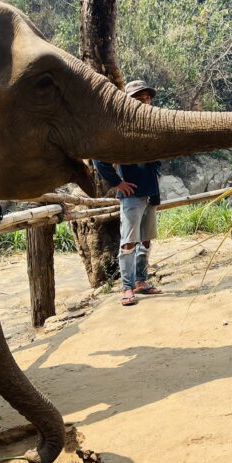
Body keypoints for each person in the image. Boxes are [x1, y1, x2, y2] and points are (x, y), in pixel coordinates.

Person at [94, 79, 164, 305]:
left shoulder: (152, 126)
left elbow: (159, 157)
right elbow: (99, 158)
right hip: (132, 194)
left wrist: (157, 173)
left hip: (151, 191)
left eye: (147, 98)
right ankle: (127, 287)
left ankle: (142, 281)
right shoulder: (121, 128)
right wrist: (117, 183)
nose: (145, 101)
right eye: (139, 98)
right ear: (128, 102)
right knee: (129, 241)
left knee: (146, 240)